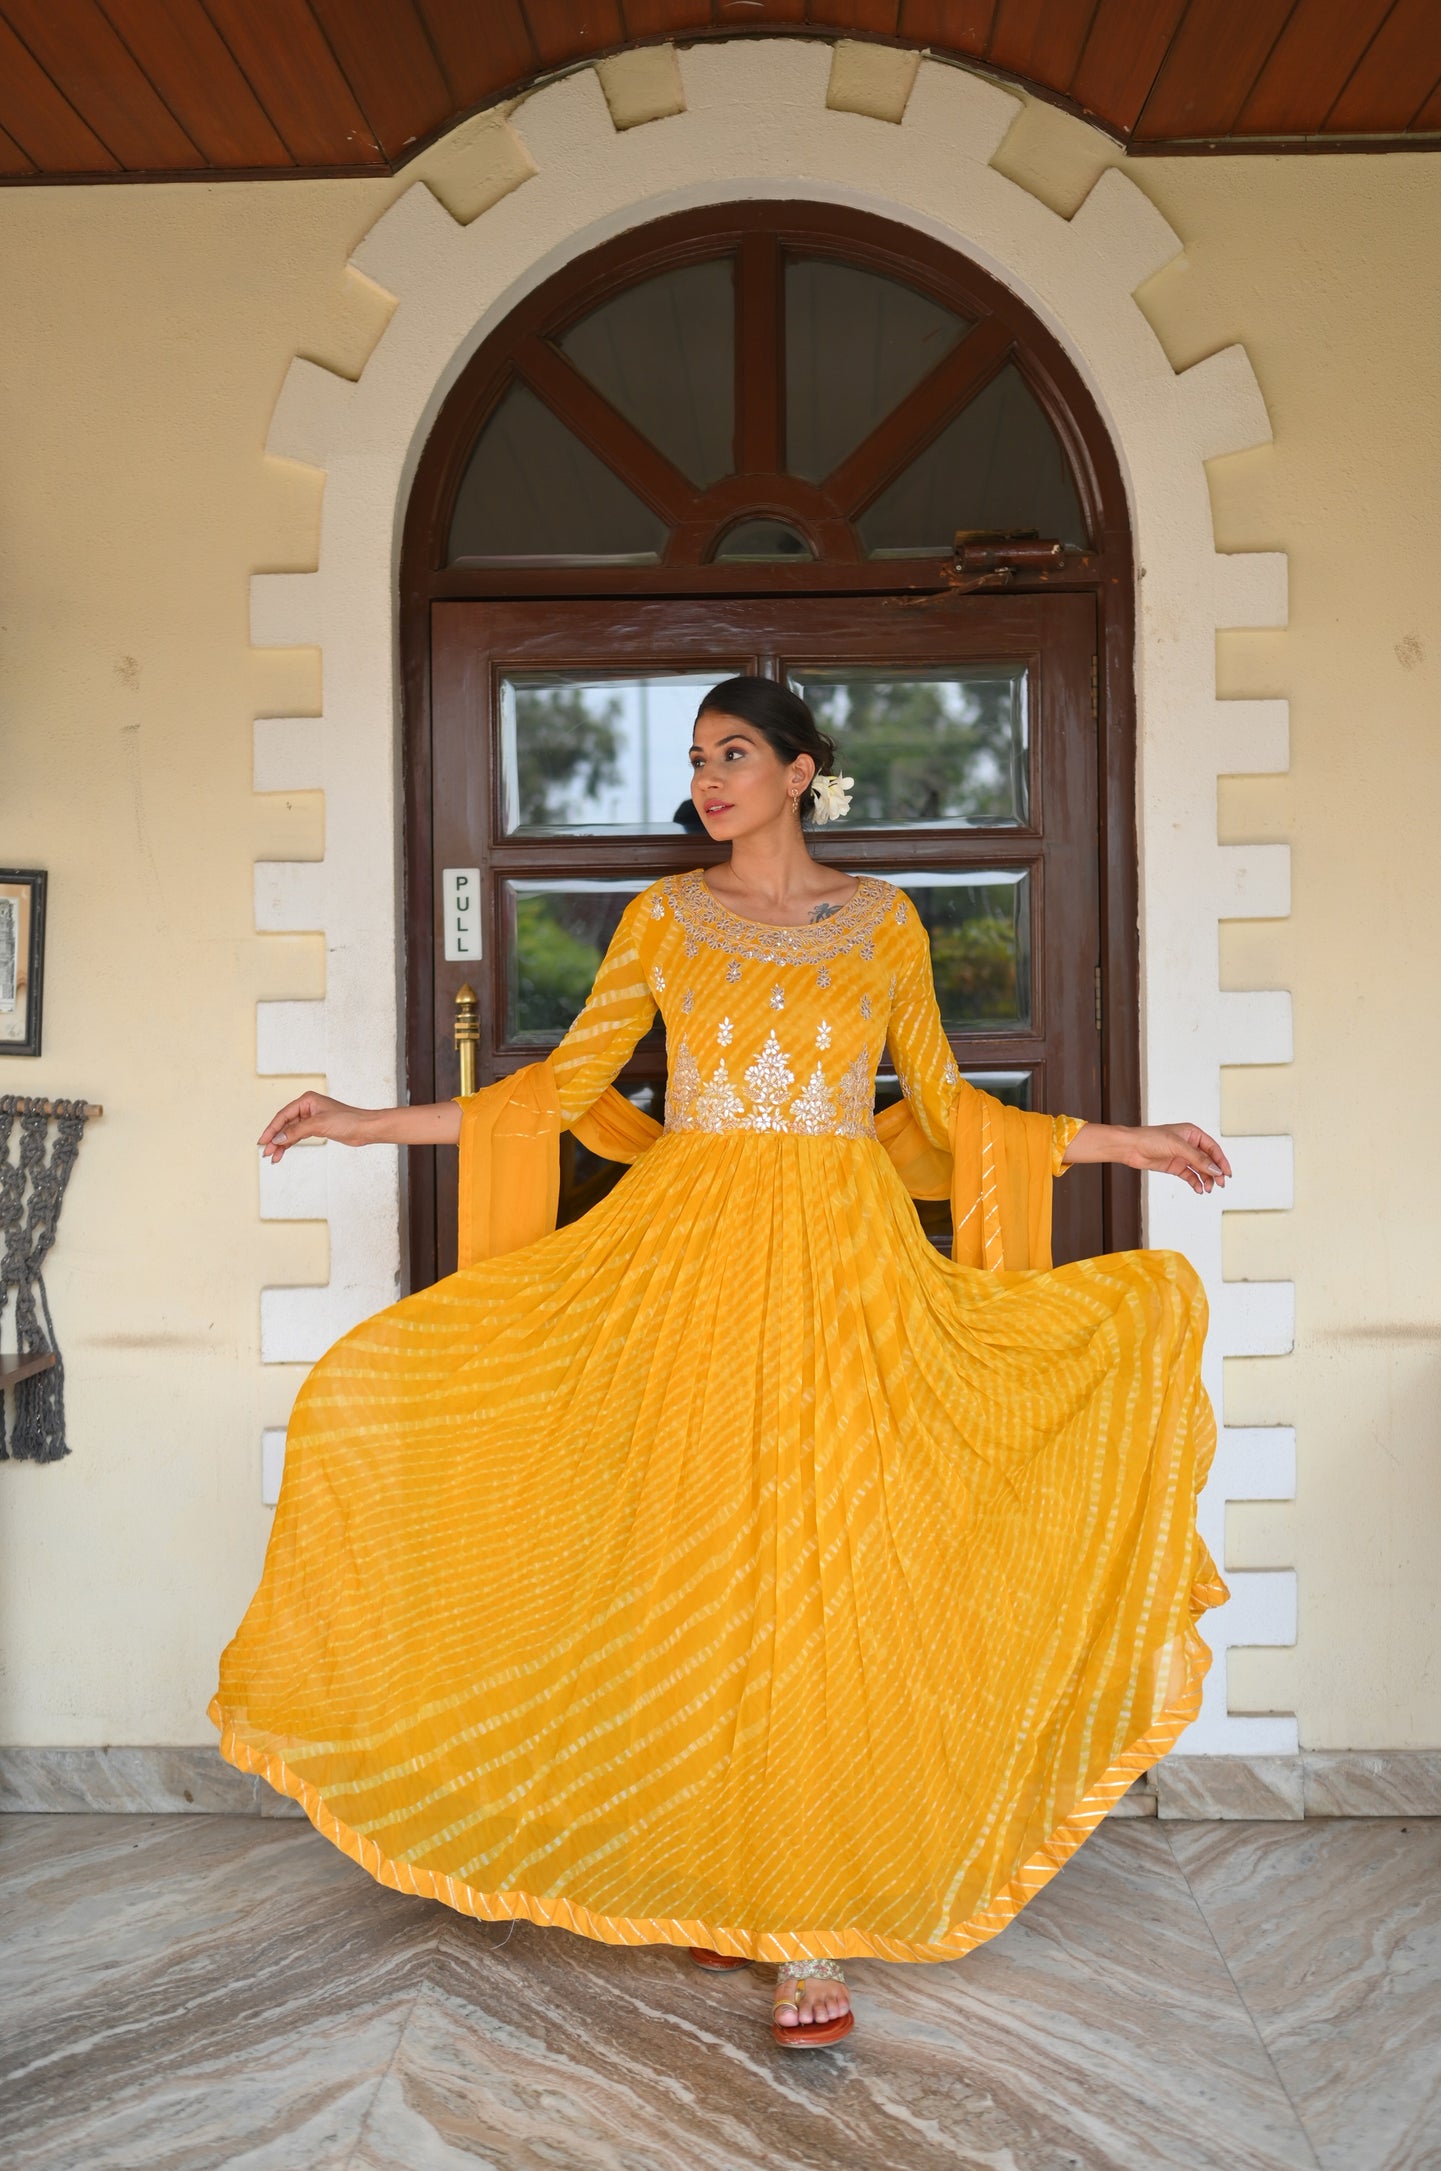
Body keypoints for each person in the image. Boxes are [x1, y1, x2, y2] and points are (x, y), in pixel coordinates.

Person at [217, 677, 1229, 2050]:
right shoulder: (663, 917)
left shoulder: (881, 923)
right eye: (697, 760)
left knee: (823, 1551)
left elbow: (941, 1105)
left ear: (801, 770)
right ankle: (719, 1862)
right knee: (690, 1547)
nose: (708, 780)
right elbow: (560, 1093)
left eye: (734, 755)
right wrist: (357, 1124)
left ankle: (803, 1915)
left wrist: (1126, 1143)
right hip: (683, 1263)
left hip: (839, 1264)